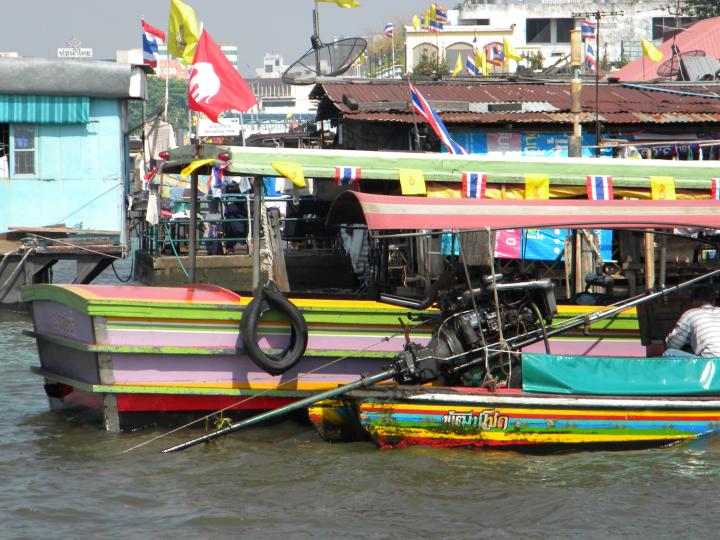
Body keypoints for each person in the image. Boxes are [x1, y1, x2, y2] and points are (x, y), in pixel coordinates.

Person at [663, 284, 720, 358]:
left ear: (694, 301)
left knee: (669, 352)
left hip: (710, 360)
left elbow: (673, 345)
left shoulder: (691, 314)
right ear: (713, 301)